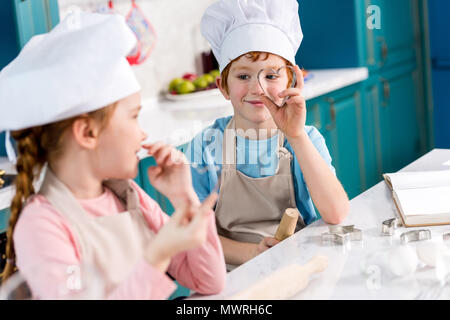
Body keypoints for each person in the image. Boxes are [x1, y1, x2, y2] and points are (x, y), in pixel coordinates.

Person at [0, 12, 226, 299]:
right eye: (133, 117)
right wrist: (157, 255)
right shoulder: (40, 226)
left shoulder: (128, 196)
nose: (142, 134)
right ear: (87, 133)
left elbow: (209, 282)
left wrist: (184, 200)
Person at [186, 0, 350, 270]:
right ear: (223, 86)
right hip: (232, 278)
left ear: (292, 81)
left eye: (271, 76)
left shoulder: (306, 139)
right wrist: (253, 253)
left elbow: (336, 213)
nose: (258, 88)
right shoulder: (203, 148)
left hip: (299, 268)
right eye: (242, 76)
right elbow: (193, 237)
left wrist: (295, 135)